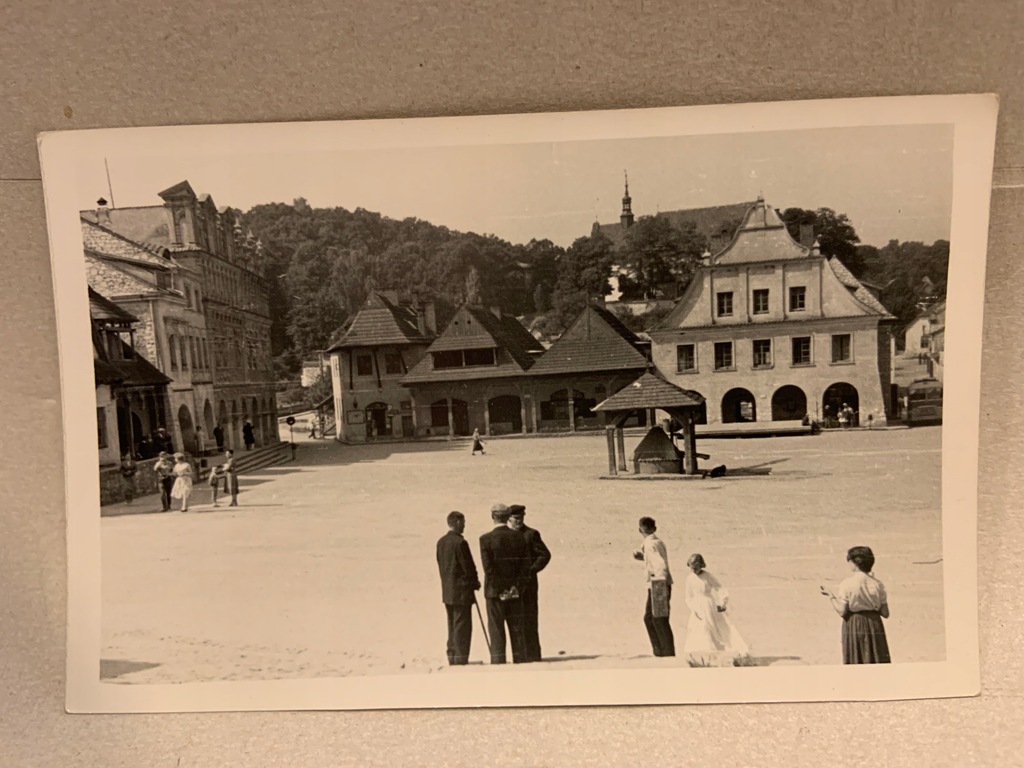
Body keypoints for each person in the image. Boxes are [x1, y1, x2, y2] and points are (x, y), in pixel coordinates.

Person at [478, 503, 530, 664]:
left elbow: (489, 569)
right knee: (517, 631)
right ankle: (520, 663)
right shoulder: (519, 536)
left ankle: (498, 664)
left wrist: (501, 589)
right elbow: (525, 567)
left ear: (492, 516)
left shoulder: (485, 539)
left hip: (494, 593)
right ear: (508, 517)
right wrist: (515, 587)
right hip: (515, 593)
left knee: (496, 631)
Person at [822, 545, 891, 664]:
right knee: (876, 658)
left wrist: (831, 596)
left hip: (854, 623)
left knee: (856, 659)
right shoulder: (878, 584)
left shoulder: (847, 584)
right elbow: (885, 613)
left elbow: (842, 611)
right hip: (875, 625)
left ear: (854, 563)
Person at [682, 553, 749, 665]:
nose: (694, 570)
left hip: (709, 604)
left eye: (696, 567)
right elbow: (688, 597)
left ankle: (716, 655)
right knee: (700, 629)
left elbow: (719, 587)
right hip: (697, 607)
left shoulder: (708, 576)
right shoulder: (689, 579)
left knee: (714, 627)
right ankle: (701, 657)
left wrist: (722, 600)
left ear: (701, 565)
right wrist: (693, 608)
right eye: (692, 568)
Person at [436, 511, 481, 665]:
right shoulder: (461, 543)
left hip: (448, 591)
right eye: (463, 522)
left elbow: (441, 566)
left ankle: (452, 657)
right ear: (456, 523)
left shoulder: (441, 542)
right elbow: (468, 567)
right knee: (463, 627)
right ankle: (461, 659)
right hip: (462, 592)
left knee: (451, 625)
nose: (464, 526)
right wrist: (475, 583)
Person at [507, 504, 551, 662]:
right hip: (510, 584)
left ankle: (533, 655)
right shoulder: (505, 535)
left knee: (530, 619)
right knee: (514, 619)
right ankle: (518, 655)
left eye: (521, 518)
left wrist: (531, 570)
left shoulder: (531, 534)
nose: (518, 521)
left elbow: (545, 555)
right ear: (509, 519)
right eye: (515, 519)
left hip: (529, 584)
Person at [633, 516, 675, 657]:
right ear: (654, 528)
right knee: (652, 618)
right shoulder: (657, 542)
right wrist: (643, 557)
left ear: (640, 530)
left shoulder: (650, 545)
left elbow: (659, 565)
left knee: (657, 619)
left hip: (658, 584)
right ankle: (662, 651)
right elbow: (657, 560)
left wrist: (660, 584)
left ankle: (665, 653)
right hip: (660, 583)